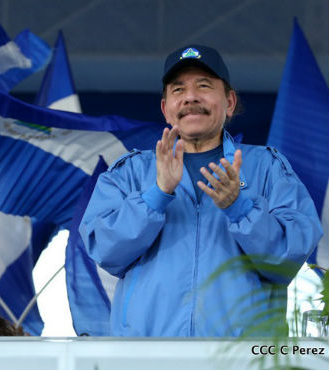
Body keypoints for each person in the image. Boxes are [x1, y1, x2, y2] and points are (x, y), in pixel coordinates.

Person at [79, 45, 323, 337]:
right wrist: (155, 195)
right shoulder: (129, 173)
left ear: (230, 102)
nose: (190, 97)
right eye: (178, 89)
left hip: (243, 359)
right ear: (166, 108)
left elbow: (288, 259)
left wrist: (240, 208)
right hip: (146, 357)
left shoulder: (269, 168)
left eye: (204, 86)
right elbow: (105, 251)